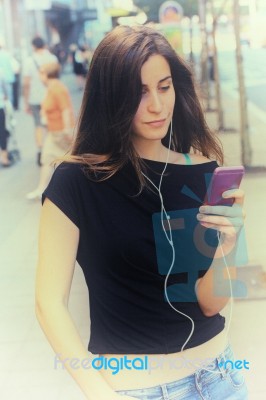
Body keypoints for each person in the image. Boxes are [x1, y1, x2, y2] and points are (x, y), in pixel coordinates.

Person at [35, 25, 248, 400]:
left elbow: (209, 303)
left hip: (221, 379)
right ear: (110, 98)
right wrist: (98, 394)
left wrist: (228, 246)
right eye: (139, 92)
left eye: (164, 87)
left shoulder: (202, 172)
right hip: (137, 389)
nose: (157, 105)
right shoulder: (75, 181)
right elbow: (48, 303)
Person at [26, 62, 74, 200]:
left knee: (72, 160)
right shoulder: (51, 88)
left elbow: (65, 110)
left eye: (41, 73)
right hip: (54, 132)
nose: (40, 76)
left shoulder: (57, 89)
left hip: (61, 132)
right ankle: (41, 188)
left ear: (47, 74)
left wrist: (66, 130)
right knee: (47, 159)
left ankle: (78, 189)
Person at [23, 36, 58, 166]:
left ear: (33, 46)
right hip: (50, 96)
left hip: (35, 98)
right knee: (50, 124)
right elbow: (57, 79)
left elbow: (26, 83)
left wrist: (26, 102)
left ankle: (40, 150)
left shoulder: (28, 61)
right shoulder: (52, 59)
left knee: (38, 124)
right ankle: (52, 150)